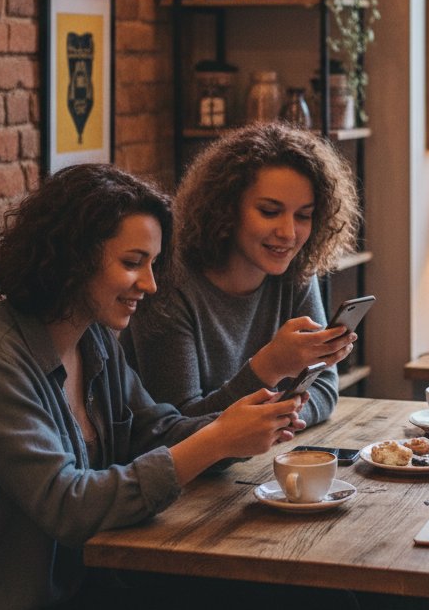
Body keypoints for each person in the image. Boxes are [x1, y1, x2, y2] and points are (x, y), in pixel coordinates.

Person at [0, 163, 359, 610]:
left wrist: (236, 425)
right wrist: (215, 441)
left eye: (154, 263)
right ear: (73, 259)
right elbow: (68, 505)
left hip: (91, 591)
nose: (152, 284)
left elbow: (155, 429)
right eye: (134, 262)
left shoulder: (91, 339)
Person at [123, 122, 360, 424]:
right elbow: (178, 427)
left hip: (265, 456)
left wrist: (280, 419)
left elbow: (325, 386)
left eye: (303, 215)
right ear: (226, 208)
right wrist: (268, 367)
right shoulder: (167, 284)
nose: (289, 233)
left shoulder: (294, 270)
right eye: (269, 211)